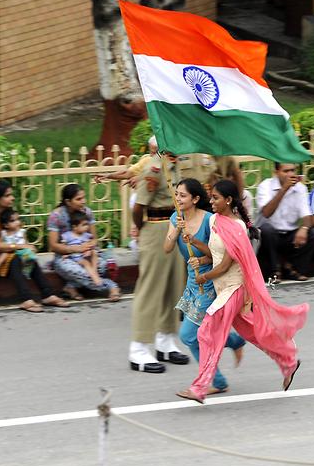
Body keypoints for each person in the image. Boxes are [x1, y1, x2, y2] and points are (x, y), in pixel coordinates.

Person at [177, 180, 307, 403]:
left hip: (233, 289)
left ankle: (200, 388)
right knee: (253, 333)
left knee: (206, 333)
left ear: (228, 200)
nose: (212, 201)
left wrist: (204, 277)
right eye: (211, 197)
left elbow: (226, 265)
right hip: (222, 288)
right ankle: (288, 361)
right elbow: (213, 253)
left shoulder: (237, 228)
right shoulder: (216, 220)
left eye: (216, 198)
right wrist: (194, 242)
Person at [163, 178, 245, 394]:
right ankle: (234, 343)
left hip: (208, 282)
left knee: (189, 335)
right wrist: (176, 231)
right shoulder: (176, 217)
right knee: (201, 334)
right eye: (177, 194)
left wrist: (200, 257)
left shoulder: (210, 221)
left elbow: (218, 255)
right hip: (192, 282)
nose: (178, 199)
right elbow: (167, 248)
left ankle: (212, 381)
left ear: (196, 199)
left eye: (183, 195)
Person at [127, 151, 190, 373]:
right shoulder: (154, 168)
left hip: (174, 226)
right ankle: (139, 348)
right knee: (151, 289)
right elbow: (139, 207)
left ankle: (166, 340)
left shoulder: (174, 165)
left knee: (173, 288)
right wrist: (143, 229)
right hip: (155, 229)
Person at [0, 180, 68, 312]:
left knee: (28, 257)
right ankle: (26, 299)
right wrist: (22, 246)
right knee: (16, 258)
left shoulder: (8, 213)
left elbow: (18, 236)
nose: (12, 198)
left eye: (11, 194)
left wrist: (24, 247)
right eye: (7, 195)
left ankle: (47, 295)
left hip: (4, 255)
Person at [46, 184, 120, 301]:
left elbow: (94, 239)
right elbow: (53, 246)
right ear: (68, 201)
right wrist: (76, 249)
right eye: (79, 199)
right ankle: (111, 286)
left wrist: (88, 248)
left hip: (87, 254)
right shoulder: (56, 216)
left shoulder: (87, 212)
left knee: (103, 267)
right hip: (65, 257)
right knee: (84, 273)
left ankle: (70, 287)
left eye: (84, 198)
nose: (83, 202)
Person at [255, 162, 314, 282]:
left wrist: (304, 228)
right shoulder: (265, 186)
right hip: (269, 236)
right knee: (267, 230)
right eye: (286, 171)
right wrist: (284, 189)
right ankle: (275, 270)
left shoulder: (300, 188)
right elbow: (266, 213)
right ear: (276, 173)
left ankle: (294, 269)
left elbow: (307, 216)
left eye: (292, 170)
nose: (290, 174)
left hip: (290, 235)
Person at [61, 211, 113, 292]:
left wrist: (89, 249)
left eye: (87, 224)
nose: (87, 227)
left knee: (94, 253)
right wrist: (65, 254)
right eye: (84, 225)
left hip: (85, 253)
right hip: (77, 256)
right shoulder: (68, 235)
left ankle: (94, 271)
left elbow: (91, 243)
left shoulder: (86, 235)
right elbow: (64, 245)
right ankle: (95, 277)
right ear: (75, 227)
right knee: (86, 263)